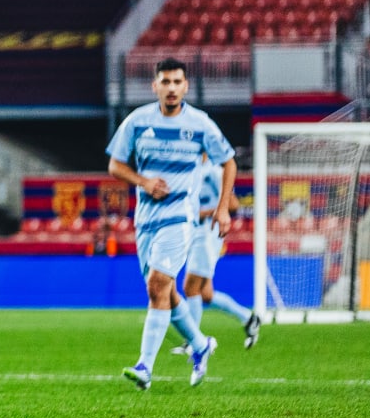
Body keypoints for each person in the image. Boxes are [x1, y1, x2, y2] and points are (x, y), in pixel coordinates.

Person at [106, 57, 236, 390]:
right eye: (165, 82)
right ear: (155, 86)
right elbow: (115, 165)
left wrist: (222, 210)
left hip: (181, 217)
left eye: (178, 82)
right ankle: (201, 344)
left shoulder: (201, 124)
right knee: (162, 290)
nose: (172, 88)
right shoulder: (137, 122)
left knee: (158, 283)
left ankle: (145, 367)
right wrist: (144, 182)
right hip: (146, 220)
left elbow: (229, 162)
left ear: (186, 86)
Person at [174, 155, 261, 352]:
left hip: (208, 235)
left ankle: (193, 341)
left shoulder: (214, 172)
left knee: (190, 287)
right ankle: (249, 318)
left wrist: (203, 213)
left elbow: (233, 205)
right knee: (206, 294)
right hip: (195, 233)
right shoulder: (191, 170)